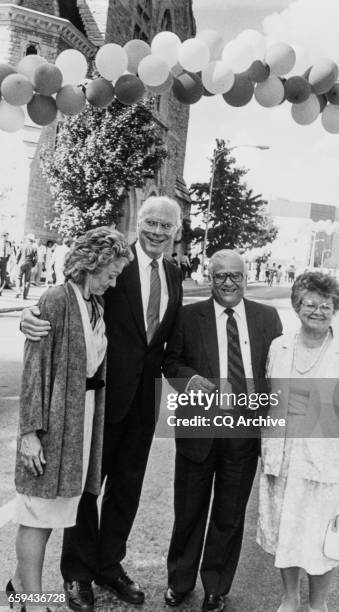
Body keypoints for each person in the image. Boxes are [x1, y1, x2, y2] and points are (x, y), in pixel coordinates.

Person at [21, 196, 183, 611]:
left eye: (166, 225)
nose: (157, 232)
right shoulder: (116, 265)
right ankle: (76, 575)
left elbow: (165, 345)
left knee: (126, 492)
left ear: (176, 230)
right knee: (86, 489)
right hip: (101, 398)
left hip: (144, 401)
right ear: (139, 223)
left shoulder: (174, 275)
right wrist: (31, 316)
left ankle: (109, 565)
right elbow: (67, 304)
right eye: (150, 222)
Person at [8, 227, 130, 612]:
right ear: (91, 263)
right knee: (37, 511)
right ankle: (32, 601)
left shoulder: (94, 303)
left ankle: (16, 587)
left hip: (81, 419)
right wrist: (30, 432)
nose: (114, 281)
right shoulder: (57, 299)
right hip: (53, 422)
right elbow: (34, 370)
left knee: (55, 510)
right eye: (111, 272)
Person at [163, 250, 282, 612]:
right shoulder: (188, 316)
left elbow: (279, 367)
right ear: (209, 277)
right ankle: (180, 582)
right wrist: (190, 379)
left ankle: (216, 585)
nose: (228, 283)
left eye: (235, 276)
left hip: (243, 431)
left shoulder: (267, 317)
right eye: (220, 276)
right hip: (199, 428)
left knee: (230, 514)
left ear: (246, 277)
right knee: (189, 510)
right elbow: (170, 363)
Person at [257, 271, 339, 612]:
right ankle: (290, 598)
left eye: (326, 305)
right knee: (285, 529)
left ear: (335, 308)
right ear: (297, 306)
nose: (318, 311)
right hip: (282, 455)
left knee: (323, 534)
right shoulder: (279, 346)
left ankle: (318, 603)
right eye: (310, 304)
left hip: (329, 459)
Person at [16, 234, 38, 299]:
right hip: (29, 263)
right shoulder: (34, 248)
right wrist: (33, 264)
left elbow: (18, 255)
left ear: (27, 239)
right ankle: (25, 295)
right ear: (32, 241)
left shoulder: (22, 246)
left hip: (21, 262)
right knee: (27, 280)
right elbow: (36, 258)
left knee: (18, 278)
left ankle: (18, 291)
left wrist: (17, 262)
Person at [0, 230, 12, 296]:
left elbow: (9, 253)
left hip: (4, 260)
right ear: (3, 236)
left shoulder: (8, 243)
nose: (7, 238)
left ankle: (0, 291)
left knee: (3, 275)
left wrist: (6, 260)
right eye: (6, 236)